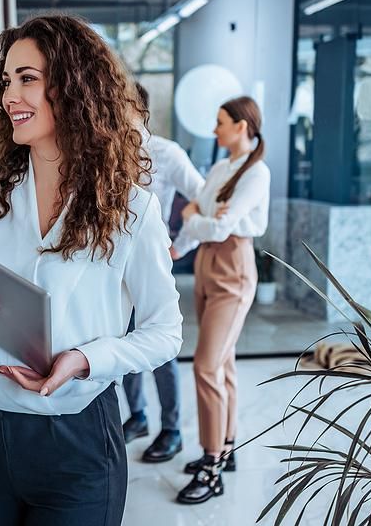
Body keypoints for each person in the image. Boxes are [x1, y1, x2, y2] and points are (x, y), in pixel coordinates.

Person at [0, 14, 183, 525]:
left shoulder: (131, 208)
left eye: (28, 78)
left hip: (76, 441)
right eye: (7, 81)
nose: (10, 95)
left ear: (74, 86)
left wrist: (86, 359)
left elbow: (166, 333)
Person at [170, 96, 270, 504]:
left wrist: (196, 216)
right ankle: (225, 447)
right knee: (222, 363)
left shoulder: (256, 173)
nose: (214, 130)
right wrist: (179, 245)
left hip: (233, 268)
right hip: (206, 266)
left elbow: (216, 225)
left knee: (205, 366)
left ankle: (211, 467)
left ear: (242, 126)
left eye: (220, 122)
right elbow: (204, 224)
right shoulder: (219, 168)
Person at [122, 83, 205, 467]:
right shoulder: (103, 149)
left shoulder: (167, 153)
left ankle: (171, 430)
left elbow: (204, 199)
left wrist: (180, 246)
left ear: (136, 107)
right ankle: (137, 415)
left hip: (153, 265)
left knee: (158, 348)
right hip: (113, 266)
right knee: (120, 342)